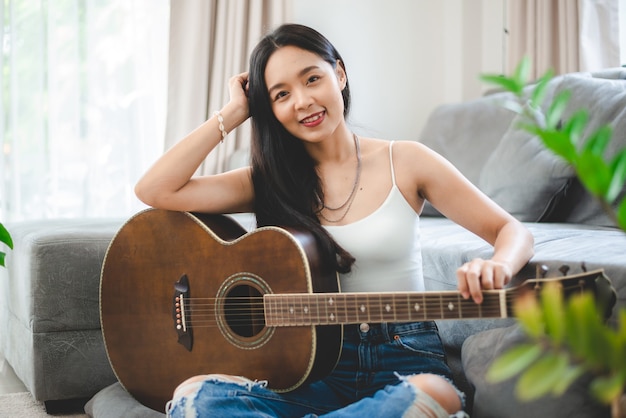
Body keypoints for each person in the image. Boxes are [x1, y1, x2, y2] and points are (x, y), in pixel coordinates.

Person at [135, 23, 534, 418]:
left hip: (404, 357)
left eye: (312, 79)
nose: (303, 101)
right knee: (195, 396)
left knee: (431, 394)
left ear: (339, 74)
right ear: (268, 109)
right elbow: (156, 190)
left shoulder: (407, 161)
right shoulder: (267, 182)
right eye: (281, 95)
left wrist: (497, 264)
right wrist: (233, 112)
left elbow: (510, 230)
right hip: (310, 370)